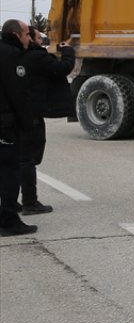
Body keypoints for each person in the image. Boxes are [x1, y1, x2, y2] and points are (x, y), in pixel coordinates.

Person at [17, 26, 75, 214]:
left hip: (19, 110)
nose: (42, 41)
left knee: (18, 158)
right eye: (37, 37)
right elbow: (63, 68)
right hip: (32, 113)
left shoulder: (16, 55)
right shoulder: (36, 57)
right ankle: (30, 202)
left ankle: (12, 200)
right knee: (28, 158)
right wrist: (66, 51)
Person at [1, 20, 37, 236]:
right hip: (6, 124)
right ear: (16, 35)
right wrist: (27, 124)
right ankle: (8, 220)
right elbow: (18, 94)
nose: (29, 39)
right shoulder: (11, 56)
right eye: (26, 34)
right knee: (9, 171)